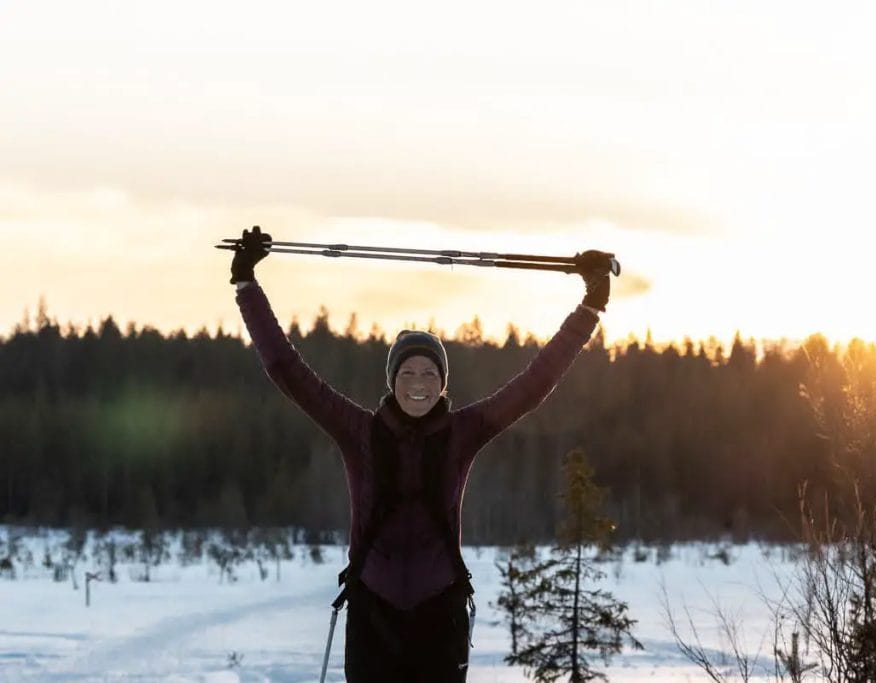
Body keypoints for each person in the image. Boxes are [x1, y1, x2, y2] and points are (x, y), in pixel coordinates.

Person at [229, 226, 610, 682]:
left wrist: (590, 305)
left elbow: (535, 383)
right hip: (373, 614)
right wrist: (246, 284)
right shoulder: (359, 432)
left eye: (429, 373)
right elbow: (286, 368)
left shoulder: (463, 433)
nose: (418, 383)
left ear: (442, 382)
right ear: (392, 380)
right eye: (407, 372)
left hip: (440, 614)